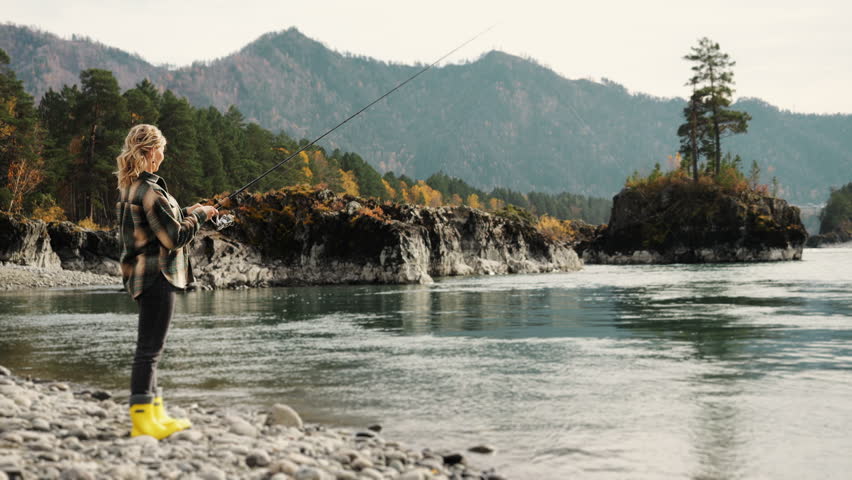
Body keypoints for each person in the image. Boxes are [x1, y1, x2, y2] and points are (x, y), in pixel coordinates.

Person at [114, 124, 218, 439]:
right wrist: (199, 218)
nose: (163, 154)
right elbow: (173, 237)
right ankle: (143, 419)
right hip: (157, 274)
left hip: (144, 275)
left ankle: (154, 413)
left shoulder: (134, 187)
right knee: (150, 349)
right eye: (160, 149)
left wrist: (193, 210)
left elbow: (162, 223)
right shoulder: (150, 191)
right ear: (148, 151)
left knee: (151, 347)